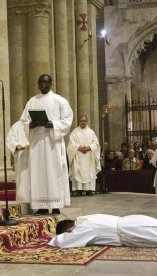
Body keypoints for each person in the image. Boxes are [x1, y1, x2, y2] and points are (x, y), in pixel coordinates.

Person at [20, 74, 73, 215]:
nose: (42, 84)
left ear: (51, 83)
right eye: (40, 82)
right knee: (38, 172)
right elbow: (23, 121)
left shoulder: (60, 101)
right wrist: (31, 124)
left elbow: (68, 120)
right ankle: (42, 205)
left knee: (54, 172)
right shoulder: (32, 101)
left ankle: (56, 205)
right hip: (37, 141)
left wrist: (53, 124)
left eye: (45, 82)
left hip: (52, 142)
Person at [67, 115, 101, 196]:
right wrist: (79, 148)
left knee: (89, 171)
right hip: (78, 155)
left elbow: (96, 144)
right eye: (81, 121)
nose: (83, 122)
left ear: (87, 121)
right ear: (79, 121)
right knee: (77, 171)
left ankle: (89, 189)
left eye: (84, 121)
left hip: (89, 155)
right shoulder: (74, 132)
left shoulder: (91, 132)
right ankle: (78, 189)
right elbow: (71, 144)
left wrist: (89, 148)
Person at [6, 121, 30, 202]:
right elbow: (10, 140)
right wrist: (16, 145)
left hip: (35, 156)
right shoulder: (17, 125)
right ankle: (23, 200)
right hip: (22, 156)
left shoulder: (39, 125)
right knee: (23, 179)